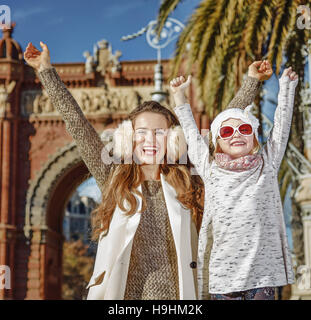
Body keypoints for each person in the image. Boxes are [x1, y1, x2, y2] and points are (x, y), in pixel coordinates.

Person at [24, 41, 263, 300]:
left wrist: (251, 81)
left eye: (159, 132)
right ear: (129, 138)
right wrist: (45, 70)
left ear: (173, 139)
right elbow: (77, 124)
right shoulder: (114, 178)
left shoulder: (187, 179)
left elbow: (221, 134)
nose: (150, 140)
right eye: (142, 133)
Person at [170, 66, 298, 300]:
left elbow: (281, 128)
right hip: (223, 278)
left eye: (244, 128)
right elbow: (190, 133)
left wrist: (287, 88)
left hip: (261, 277)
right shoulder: (211, 170)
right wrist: (179, 96)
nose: (236, 134)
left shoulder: (266, 166)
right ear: (217, 143)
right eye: (227, 131)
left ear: (254, 139)